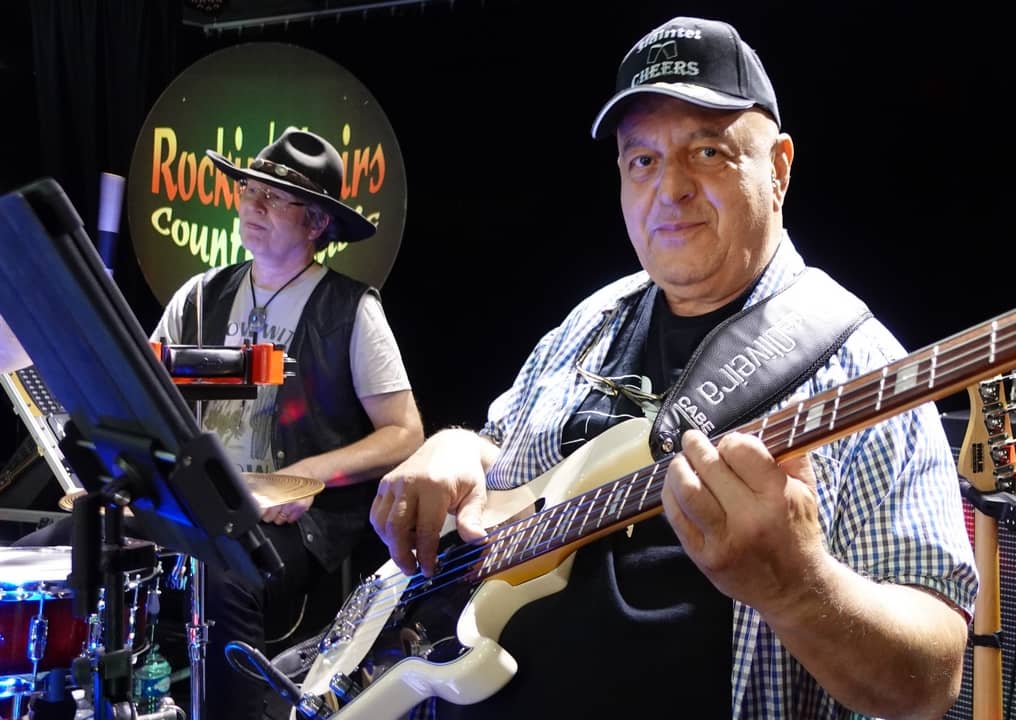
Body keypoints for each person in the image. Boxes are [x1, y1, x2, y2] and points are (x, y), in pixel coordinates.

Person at [369, 15, 978, 720]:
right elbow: (501, 455)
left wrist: (801, 590)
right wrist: (453, 447)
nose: (672, 188)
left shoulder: (865, 368)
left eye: (710, 152)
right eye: (643, 161)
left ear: (778, 167)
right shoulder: (589, 324)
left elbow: (932, 681)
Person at [11, 128, 425, 720]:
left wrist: (304, 475)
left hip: (290, 529)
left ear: (316, 224)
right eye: (247, 190)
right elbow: (136, 401)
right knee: (54, 551)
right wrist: (112, 476)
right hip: (192, 507)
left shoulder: (351, 309)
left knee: (217, 567)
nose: (250, 205)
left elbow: (405, 432)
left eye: (273, 198)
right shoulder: (199, 297)